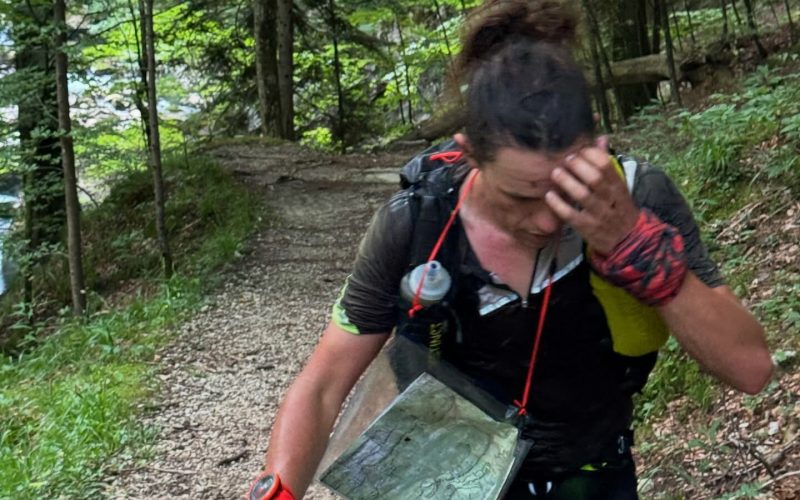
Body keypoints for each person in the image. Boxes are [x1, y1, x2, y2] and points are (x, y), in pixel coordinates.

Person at [247, 1, 773, 498]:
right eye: (521, 196)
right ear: (469, 154)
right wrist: (277, 490)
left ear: (597, 149)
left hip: (589, 477)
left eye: (566, 190)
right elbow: (323, 385)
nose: (546, 220)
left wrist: (635, 246)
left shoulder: (639, 200)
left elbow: (750, 368)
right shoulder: (419, 222)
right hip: (440, 475)